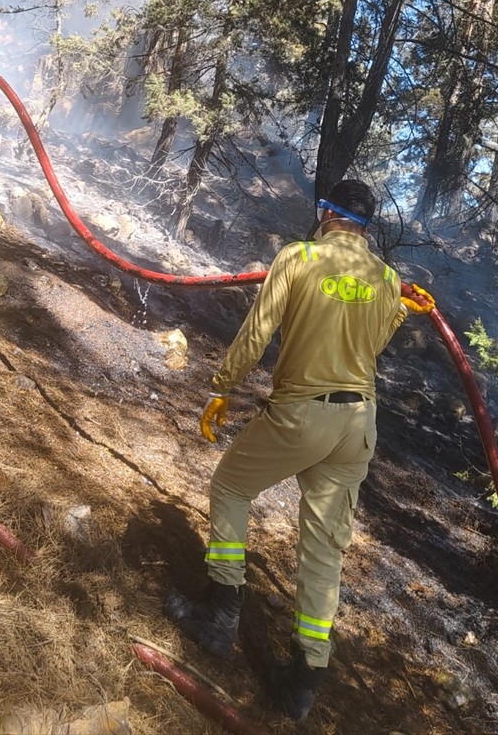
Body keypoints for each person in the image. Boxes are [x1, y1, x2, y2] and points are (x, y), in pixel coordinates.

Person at [165, 179, 407, 721]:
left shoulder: (299, 258)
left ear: (325, 213)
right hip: (358, 426)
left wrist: (222, 386)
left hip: (304, 412)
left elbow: (257, 332)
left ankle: (220, 614)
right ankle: (303, 680)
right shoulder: (388, 279)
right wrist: (394, 311)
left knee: (231, 486)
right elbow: (371, 347)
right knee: (323, 551)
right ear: (365, 227)